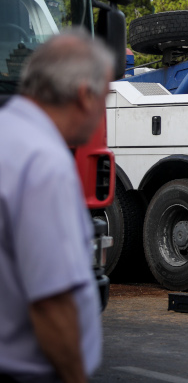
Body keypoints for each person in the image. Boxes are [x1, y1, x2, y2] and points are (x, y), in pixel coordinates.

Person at [0, 32, 113, 383]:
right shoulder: (45, 163)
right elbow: (52, 303)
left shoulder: (8, 134)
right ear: (84, 95)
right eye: (105, 99)